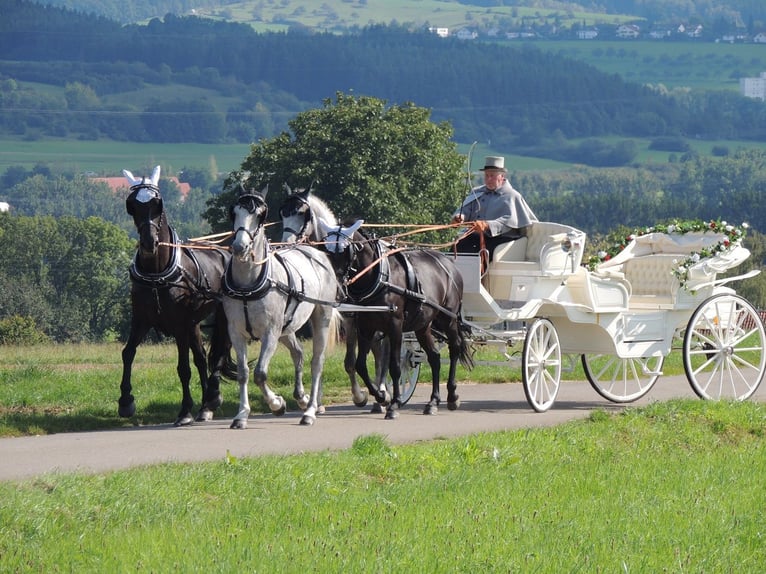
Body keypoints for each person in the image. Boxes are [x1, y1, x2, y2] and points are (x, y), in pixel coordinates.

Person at [451, 155, 538, 258]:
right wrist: (460, 217)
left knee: (479, 252)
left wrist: (487, 225)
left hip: (500, 239)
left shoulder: (512, 196)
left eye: (492, 176)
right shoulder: (477, 192)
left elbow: (509, 221)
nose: (488, 179)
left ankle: (478, 272)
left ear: (502, 176)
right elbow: (466, 209)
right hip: (475, 236)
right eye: (486, 175)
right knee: (457, 246)